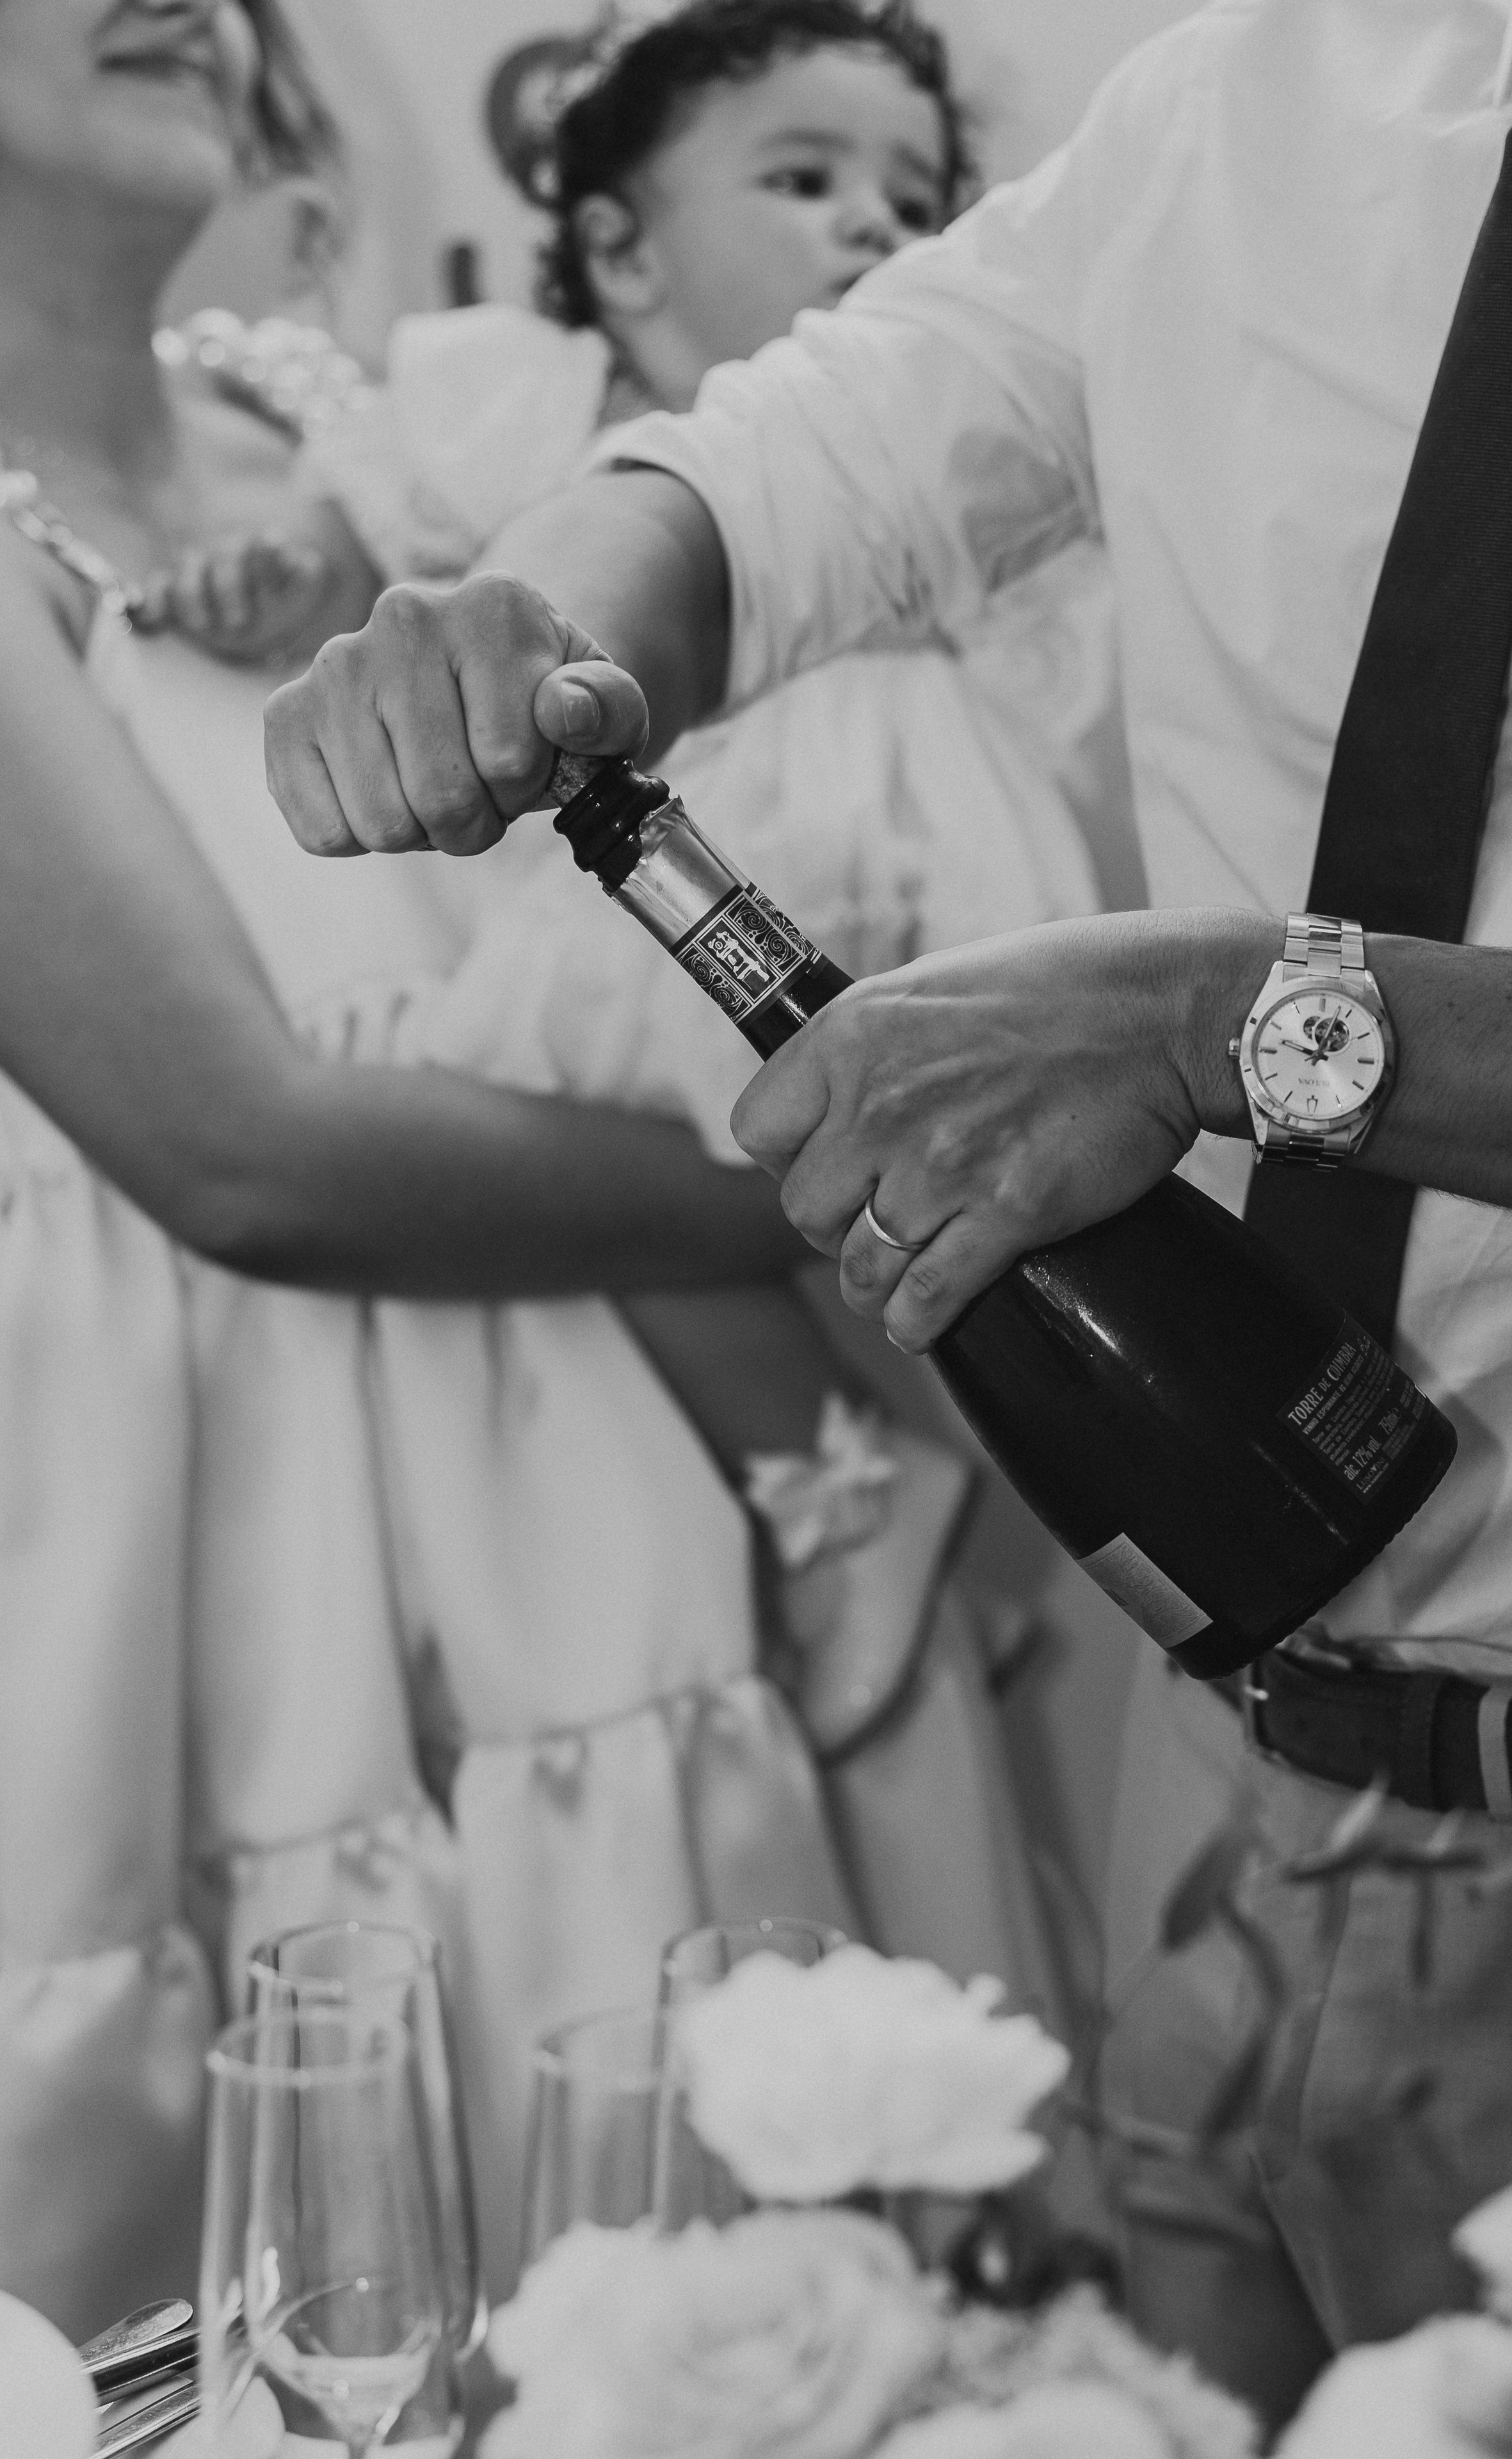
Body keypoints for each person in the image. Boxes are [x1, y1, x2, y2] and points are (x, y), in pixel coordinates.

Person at [266, 0, 1512, 2428]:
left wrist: (1219, 1023)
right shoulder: (1256, 94)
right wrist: (537, 620)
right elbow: (785, 474)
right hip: (1202, 1778)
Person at [0, 0, 855, 2335]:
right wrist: (844, 1168)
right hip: (194, 1586)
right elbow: (241, 1148)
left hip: (567, 1493)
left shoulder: (330, 431)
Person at [159, 0, 1120, 1776]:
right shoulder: (535, 407)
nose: (869, 228)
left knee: (819, 1168)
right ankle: (833, 1484)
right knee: (566, 1117)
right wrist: (269, 581)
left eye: (911, 201)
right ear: (617, 249)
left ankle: (859, 1490)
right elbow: (375, 549)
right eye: (806, 176)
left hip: (876, 859)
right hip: (673, 856)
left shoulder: (932, 445)